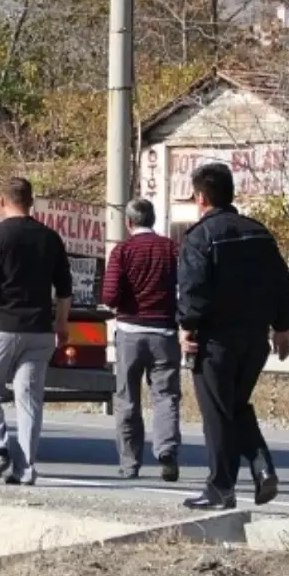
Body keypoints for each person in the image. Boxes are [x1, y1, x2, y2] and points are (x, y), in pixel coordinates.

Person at [178, 163, 289, 511]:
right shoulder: (259, 233)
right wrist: (283, 326)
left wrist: (187, 327)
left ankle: (221, 488)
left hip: (215, 340)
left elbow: (193, 290)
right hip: (255, 341)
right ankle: (261, 469)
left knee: (217, 413)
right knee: (234, 406)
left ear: (201, 197)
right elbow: (281, 284)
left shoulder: (200, 236)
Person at [0, 177, 74, 486]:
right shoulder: (50, 238)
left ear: (3, 202)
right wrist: (61, 324)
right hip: (39, 331)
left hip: (0, 329)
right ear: (30, 201)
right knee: (29, 399)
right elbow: (64, 289)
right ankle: (26, 469)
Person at [101, 199, 181, 481]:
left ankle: (130, 463)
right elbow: (184, 287)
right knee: (166, 397)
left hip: (130, 334)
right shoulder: (171, 248)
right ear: (154, 219)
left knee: (127, 399)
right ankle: (167, 452)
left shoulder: (122, 251)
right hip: (164, 333)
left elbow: (109, 296)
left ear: (129, 222)